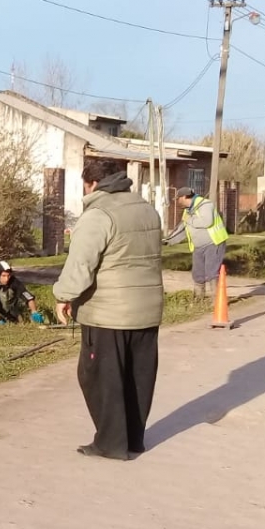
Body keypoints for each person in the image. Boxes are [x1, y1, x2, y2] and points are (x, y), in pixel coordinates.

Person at [53, 163, 164, 461]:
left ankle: (111, 442)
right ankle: (132, 440)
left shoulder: (97, 216)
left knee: (100, 377)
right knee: (137, 377)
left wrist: (63, 296)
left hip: (108, 313)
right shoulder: (146, 209)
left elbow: (80, 267)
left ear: (91, 184)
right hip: (148, 311)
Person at [165, 186, 229, 299]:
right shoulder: (187, 211)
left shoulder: (205, 205)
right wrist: (169, 241)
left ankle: (217, 301)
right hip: (198, 247)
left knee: (212, 273)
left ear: (184, 197)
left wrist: (190, 219)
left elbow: (207, 222)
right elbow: (183, 229)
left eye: (178, 199)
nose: (177, 202)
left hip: (213, 243)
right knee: (198, 274)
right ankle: (199, 299)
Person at [0, 260, 45, 325]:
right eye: (3, 276)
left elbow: (27, 296)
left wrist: (34, 312)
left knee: (20, 324)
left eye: (8, 275)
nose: (7, 279)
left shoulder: (13, 281)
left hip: (11, 311)